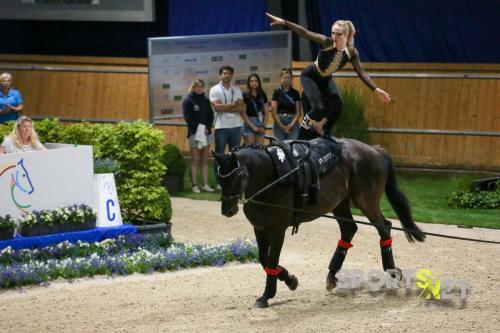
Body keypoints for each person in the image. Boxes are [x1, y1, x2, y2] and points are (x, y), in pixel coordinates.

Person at [266, 13, 391, 139]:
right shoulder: (326, 42)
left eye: (338, 34)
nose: (334, 37)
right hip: (311, 75)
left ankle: (325, 133)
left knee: (338, 104)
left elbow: (361, 72)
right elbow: (304, 32)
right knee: (318, 108)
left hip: (325, 79)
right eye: (333, 33)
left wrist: (376, 89)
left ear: (346, 35)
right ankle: (301, 136)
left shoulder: (351, 52)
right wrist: (284, 22)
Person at [209, 65, 244, 190]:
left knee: (235, 155)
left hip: (236, 126)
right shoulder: (214, 89)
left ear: (232, 75)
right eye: (224, 73)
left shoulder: (237, 89)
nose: (226, 75)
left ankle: (233, 179)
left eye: (229, 73)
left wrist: (226, 106)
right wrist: (233, 104)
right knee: (219, 154)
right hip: (221, 126)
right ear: (220, 75)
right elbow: (217, 108)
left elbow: (240, 108)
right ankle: (219, 182)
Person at [183, 79, 215, 193]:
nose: (199, 88)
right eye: (197, 86)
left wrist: (208, 127)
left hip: (207, 133)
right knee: (194, 160)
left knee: (205, 160)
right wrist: (200, 128)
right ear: (193, 87)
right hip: (194, 133)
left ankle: (205, 184)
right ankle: (194, 185)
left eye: (201, 86)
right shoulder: (188, 100)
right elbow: (188, 118)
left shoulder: (206, 100)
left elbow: (211, 116)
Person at [271, 68, 302, 140]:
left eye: (288, 77)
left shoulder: (295, 93)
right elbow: (274, 112)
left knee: (292, 145)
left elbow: (298, 112)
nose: (286, 79)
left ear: (291, 79)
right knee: (280, 146)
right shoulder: (276, 92)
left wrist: (290, 126)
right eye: (284, 77)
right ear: (281, 79)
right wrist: (282, 126)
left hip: (293, 122)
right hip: (279, 122)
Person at [241, 73, 270, 144]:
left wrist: (264, 126)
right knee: (250, 150)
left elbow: (266, 113)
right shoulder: (245, 95)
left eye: (256, 81)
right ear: (248, 83)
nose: (254, 83)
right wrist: (253, 127)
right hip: (249, 123)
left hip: (260, 123)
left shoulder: (263, 95)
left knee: (259, 149)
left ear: (259, 82)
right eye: (251, 81)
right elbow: (243, 113)